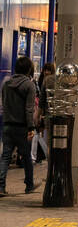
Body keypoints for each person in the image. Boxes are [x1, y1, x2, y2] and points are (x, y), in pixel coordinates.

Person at [0, 55, 38, 196]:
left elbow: (4, 103)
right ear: (29, 69)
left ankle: (1, 186)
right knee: (26, 156)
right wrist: (31, 127)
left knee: (5, 156)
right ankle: (29, 185)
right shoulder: (29, 85)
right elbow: (29, 109)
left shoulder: (6, 83)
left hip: (7, 125)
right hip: (22, 126)